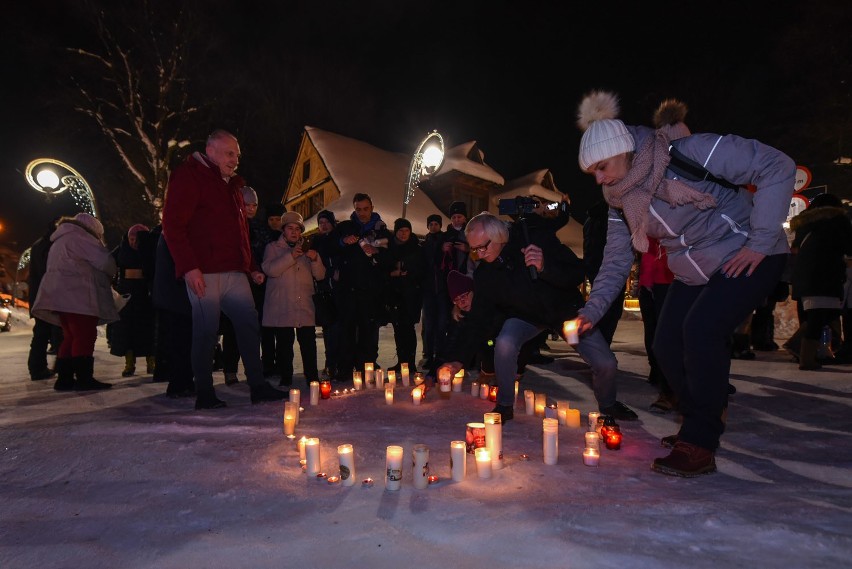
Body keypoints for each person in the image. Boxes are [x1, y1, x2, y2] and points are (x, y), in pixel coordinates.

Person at [574, 90, 794, 476]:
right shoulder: (620, 201)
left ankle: (700, 442)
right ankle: (701, 416)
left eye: (602, 166)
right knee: (665, 344)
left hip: (750, 255)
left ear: (623, 149)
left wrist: (761, 241)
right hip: (695, 268)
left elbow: (777, 165)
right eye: (592, 172)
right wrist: (590, 312)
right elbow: (614, 262)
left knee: (701, 330)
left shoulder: (692, 152)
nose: (599, 179)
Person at [438, 212, 631, 423]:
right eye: (474, 250)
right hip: (525, 316)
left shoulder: (535, 240)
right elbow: (477, 320)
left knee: (605, 362)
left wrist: (545, 267)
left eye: (483, 247)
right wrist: (457, 359)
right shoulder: (486, 274)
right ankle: (504, 404)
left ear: (500, 236)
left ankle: (608, 404)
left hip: (564, 312)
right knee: (504, 343)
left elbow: (577, 272)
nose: (480, 255)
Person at [162, 129, 288, 409]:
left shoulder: (231, 186)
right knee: (206, 331)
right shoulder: (189, 175)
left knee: (248, 325)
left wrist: (251, 266)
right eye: (230, 153)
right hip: (203, 272)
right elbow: (172, 225)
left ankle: (257, 385)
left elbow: (240, 232)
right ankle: (205, 393)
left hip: (234, 271)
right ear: (211, 150)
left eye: (237, 155)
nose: (235, 160)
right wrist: (189, 267)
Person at [32, 213, 119, 391]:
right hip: (78, 295)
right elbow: (105, 262)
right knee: (84, 335)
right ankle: (84, 378)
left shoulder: (61, 239)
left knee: (70, 336)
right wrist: (113, 270)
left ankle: (64, 379)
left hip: (61, 297)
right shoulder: (81, 238)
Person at [261, 212, 326, 386]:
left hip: (304, 303)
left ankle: (312, 376)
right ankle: (286, 376)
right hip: (282, 304)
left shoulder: (306, 248)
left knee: (308, 344)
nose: (294, 232)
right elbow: (270, 270)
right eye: (290, 228)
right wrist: (291, 256)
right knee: (284, 344)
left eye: (298, 229)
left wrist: (315, 259)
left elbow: (320, 276)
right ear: (283, 230)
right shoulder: (273, 248)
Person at [789, 192, 852, 370]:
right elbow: (848, 245)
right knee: (821, 316)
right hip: (825, 275)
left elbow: (795, 249)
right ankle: (806, 358)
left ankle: (806, 352)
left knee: (815, 315)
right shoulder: (837, 219)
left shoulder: (805, 223)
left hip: (803, 276)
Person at [333, 193, 392, 381]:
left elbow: (390, 259)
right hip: (348, 290)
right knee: (347, 331)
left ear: (372, 207)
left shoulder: (381, 231)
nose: (362, 213)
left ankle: (366, 369)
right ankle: (345, 370)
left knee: (369, 332)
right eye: (358, 209)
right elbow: (331, 247)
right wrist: (343, 242)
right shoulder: (345, 227)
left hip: (371, 291)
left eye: (366, 209)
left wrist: (377, 252)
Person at [220, 185, 265, 385]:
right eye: (247, 204)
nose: (251, 208)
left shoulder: (257, 228)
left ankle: (253, 371)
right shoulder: (229, 225)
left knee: (251, 330)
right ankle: (230, 370)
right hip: (233, 284)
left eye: (254, 205)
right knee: (232, 330)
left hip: (255, 285)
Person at [107, 223, 156, 377]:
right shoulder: (122, 249)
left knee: (149, 330)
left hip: (145, 295)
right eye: (131, 238)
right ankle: (129, 363)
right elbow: (108, 263)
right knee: (127, 331)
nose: (133, 242)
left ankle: (152, 362)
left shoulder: (151, 250)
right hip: (126, 295)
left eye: (136, 239)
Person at [385, 218, 426, 372]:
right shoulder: (390, 248)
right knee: (398, 328)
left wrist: (407, 273)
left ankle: (410, 363)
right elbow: (384, 268)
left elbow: (422, 270)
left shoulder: (416, 248)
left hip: (411, 295)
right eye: (400, 231)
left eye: (406, 230)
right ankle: (401, 362)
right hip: (395, 295)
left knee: (408, 329)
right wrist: (393, 273)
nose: (403, 234)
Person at [26, 217, 64, 381]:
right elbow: (49, 270)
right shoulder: (51, 245)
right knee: (53, 332)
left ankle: (37, 367)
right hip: (48, 295)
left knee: (41, 333)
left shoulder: (39, 244)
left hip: (38, 295)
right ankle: (51, 368)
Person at [310, 209, 342, 380]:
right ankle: (330, 364)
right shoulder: (316, 241)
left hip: (339, 290)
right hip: (324, 290)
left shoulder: (338, 238)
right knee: (329, 329)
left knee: (338, 329)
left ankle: (337, 364)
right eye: (321, 222)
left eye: (326, 222)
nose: (323, 225)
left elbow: (339, 261)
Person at [420, 213, 450, 370]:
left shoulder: (445, 241)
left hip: (443, 290)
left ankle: (440, 355)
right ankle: (428, 354)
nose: (433, 227)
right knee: (429, 325)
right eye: (430, 224)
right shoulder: (425, 244)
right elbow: (428, 261)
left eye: (436, 224)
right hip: (429, 290)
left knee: (441, 324)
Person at [260, 202, 286, 376]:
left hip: (283, 289)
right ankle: (268, 363)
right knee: (267, 330)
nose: (275, 223)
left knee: (283, 330)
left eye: (279, 219)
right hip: (263, 288)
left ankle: (282, 363)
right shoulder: (262, 238)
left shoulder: (288, 237)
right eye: (272, 219)